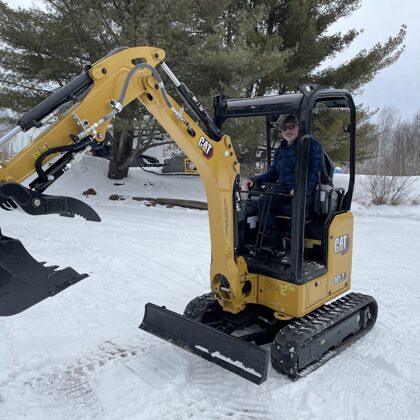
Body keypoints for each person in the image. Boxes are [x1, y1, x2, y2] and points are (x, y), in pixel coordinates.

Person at [245, 114, 324, 257]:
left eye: (291, 126)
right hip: (284, 190)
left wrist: (302, 189)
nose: (288, 130)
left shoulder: (311, 144)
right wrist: (255, 180)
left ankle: (290, 246)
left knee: (297, 202)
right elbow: (273, 172)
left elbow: (314, 172)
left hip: (307, 192)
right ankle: (272, 241)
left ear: (299, 127)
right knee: (263, 201)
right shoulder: (282, 148)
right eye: (284, 128)